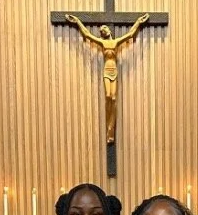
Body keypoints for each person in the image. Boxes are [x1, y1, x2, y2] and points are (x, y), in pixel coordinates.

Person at [64, 12, 150, 143]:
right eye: (101, 31)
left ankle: (111, 129)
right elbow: (87, 35)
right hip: (106, 71)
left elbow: (130, 34)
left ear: (108, 30)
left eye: (104, 28)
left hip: (114, 71)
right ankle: (108, 128)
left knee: (114, 98)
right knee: (108, 96)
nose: (102, 31)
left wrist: (138, 21)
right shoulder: (102, 43)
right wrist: (77, 22)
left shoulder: (116, 42)